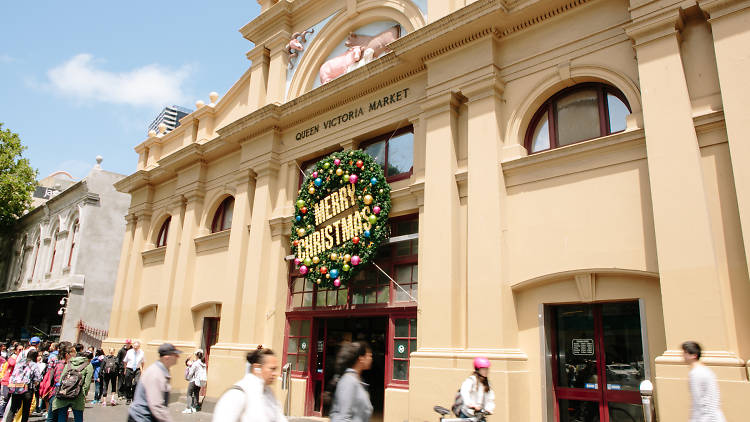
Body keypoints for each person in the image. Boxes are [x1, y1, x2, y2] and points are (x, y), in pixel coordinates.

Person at [211, 345, 286, 422]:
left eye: (275, 369)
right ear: (257, 368)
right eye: (272, 369)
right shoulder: (237, 394)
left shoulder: (269, 394)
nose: (275, 373)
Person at [127, 343, 182, 422]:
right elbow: (156, 406)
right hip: (140, 418)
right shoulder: (156, 373)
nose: (178, 357)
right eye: (175, 355)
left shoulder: (163, 371)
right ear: (167, 357)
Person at [682, 341, 726, 422]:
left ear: (694, 355)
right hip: (715, 417)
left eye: (685, 353)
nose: (683, 356)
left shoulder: (695, 374)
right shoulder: (706, 370)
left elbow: (698, 402)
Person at [51, 344, 93, 422]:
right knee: (78, 417)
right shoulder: (88, 365)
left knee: (62, 416)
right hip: (78, 394)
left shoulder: (69, 363)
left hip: (65, 392)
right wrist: (83, 394)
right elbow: (87, 384)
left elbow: (61, 379)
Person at [5, 349, 42, 422]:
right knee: (25, 410)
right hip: (27, 389)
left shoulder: (19, 363)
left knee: (13, 409)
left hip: (15, 387)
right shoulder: (34, 365)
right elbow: (38, 378)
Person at [43, 341, 71, 422]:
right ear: (67, 354)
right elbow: (56, 380)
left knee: (52, 417)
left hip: (56, 392)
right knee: (57, 416)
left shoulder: (58, 363)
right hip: (59, 393)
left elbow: (51, 379)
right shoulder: (63, 365)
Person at [0, 345, 23, 417]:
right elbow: (13, 363)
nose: (21, 351)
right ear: (15, 351)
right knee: (5, 399)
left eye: (22, 349)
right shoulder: (12, 357)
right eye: (19, 350)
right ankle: (1, 414)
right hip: (7, 381)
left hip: (15, 383)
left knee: (13, 400)